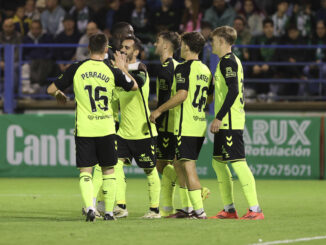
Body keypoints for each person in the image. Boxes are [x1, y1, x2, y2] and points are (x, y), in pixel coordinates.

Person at [47, 33, 139, 222]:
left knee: (86, 171)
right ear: (106, 50)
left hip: (85, 128)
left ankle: (90, 207)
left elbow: (49, 89)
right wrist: (123, 68)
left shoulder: (76, 68)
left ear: (88, 48)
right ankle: (109, 213)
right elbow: (135, 86)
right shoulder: (111, 70)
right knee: (108, 170)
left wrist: (58, 93)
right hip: (106, 128)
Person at [150, 31, 213, 219]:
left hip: (185, 125)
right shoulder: (205, 70)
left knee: (188, 167)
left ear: (185, 46)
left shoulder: (184, 68)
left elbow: (182, 94)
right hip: (199, 124)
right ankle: (186, 209)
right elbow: (209, 97)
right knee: (178, 164)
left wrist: (159, 110)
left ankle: (199, 211)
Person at [209, 26, 264, 220]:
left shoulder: (228, 62)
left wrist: (219, 116)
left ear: (223, 41)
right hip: (227, 121)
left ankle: (255, 209)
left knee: (239, 163)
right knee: (217, 162)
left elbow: (233, 91)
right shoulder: (228, 62)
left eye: (214, 40)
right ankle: (229, 209)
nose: (211, 44)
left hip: (230, 121)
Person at [113, 36, 160, 219]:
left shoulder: (141, 69)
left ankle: (155, 209)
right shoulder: (120, 72)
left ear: (137, 52)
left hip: (142, 131)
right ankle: (120, 206)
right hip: (124, 131)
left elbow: (135, 85)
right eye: (122, 47)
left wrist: (121, 68)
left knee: (149, 170)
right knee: (115, 166)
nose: (123, 50)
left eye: (127, 47)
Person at [153, 31, 180, 217]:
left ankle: (194, 189)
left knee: (161, 166)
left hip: (166, 124)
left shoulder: (165, 68)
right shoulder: (178, 66)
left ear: (165, 45)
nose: (155, 43)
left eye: (158, 40)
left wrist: (156, 118)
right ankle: (168, 208)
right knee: (166, 164)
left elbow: (164, 98)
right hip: (177, 122)